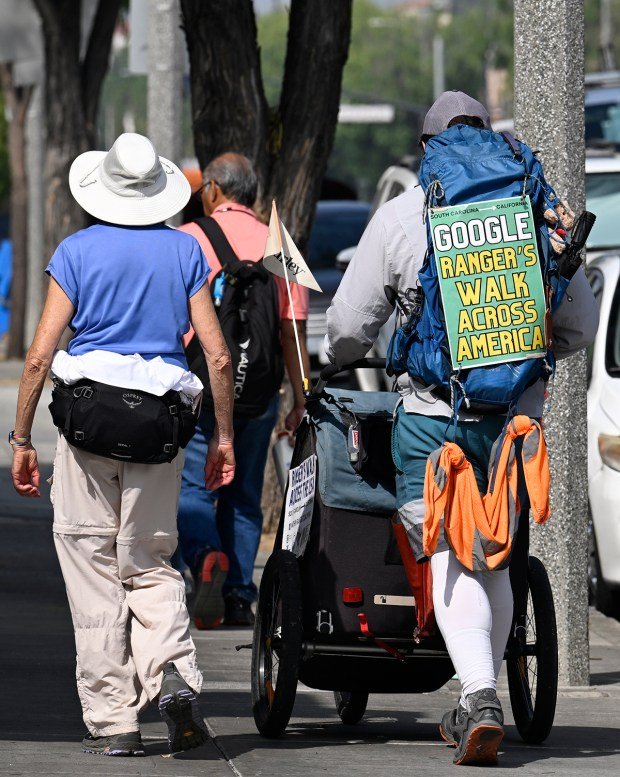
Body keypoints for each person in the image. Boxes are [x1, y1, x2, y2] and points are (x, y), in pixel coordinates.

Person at [325, 92, 599, 766]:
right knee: (494, 555)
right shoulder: (534, 212)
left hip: (430, 422)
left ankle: (478, 694)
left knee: (449, 551)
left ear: (428, 148)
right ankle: (478, 687)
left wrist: (339, 356)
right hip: (515, 424)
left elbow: (348, 327)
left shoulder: (402, 216)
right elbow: (579, 326)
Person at [10, 132, 235, 756]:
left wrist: (22, 438)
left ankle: (116, 722)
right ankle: (174, 680)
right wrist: (221, 438)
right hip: (161, 430)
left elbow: (38, 358)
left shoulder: (76, 251)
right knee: (151, 562)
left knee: (92, 568)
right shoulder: (185, 252)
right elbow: (216, 354)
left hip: (88, 429)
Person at [176, 152, 310, 628]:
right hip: (258, 394)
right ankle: (237, 596)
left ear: (212, 188)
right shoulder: (280, 245)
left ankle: (205, 556)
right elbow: (292, 334)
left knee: (192, 488)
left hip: (195, 390)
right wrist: (298, 400)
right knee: (245, 494)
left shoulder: (189, 240)